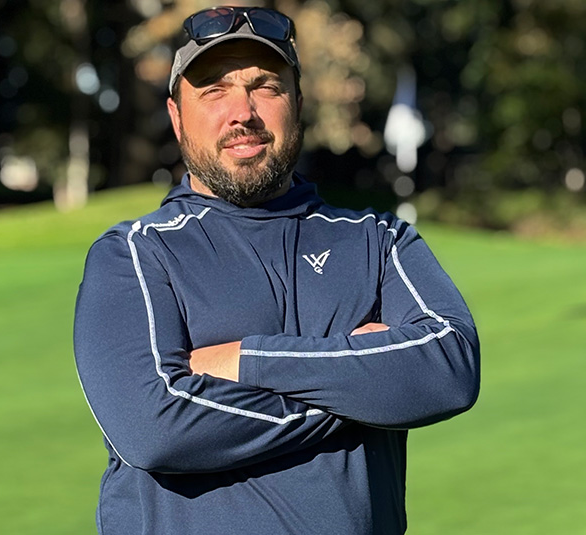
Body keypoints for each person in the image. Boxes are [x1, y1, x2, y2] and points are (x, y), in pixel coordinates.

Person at [74, 6, 480, 535]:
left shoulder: (376, 239)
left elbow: (449, 367)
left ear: (298, 103)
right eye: (214, 91)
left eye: (265, 86)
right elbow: (154, 426)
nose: (242, 112)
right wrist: (363, 387)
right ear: (177, 117)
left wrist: (247, 360)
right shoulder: (134, 254)